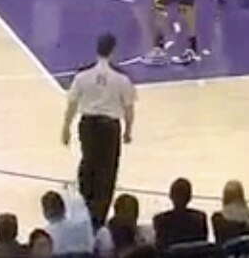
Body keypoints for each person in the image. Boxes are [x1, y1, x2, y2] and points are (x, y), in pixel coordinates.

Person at [62, 34, 136, 229]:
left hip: (87, 125)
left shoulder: (82, 75)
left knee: (88, 163)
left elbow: (72, 104)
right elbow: (128, 108)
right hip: (109, 127)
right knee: (107, 171)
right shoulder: (121, 78)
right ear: (113, 50)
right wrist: (128, 130)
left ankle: (85, 205)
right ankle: (99, 217)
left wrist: (66, 128)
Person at [152, 178, 208, 249]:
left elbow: (160, 246)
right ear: (189, 197)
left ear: (171, 196)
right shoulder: (200, 218)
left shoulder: (160, 219)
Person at [96, 194, 154, 258]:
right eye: (128, 211)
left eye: (136, 212)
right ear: (117, 211)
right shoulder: (105, 233)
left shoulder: (139, 234)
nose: (133, 216)